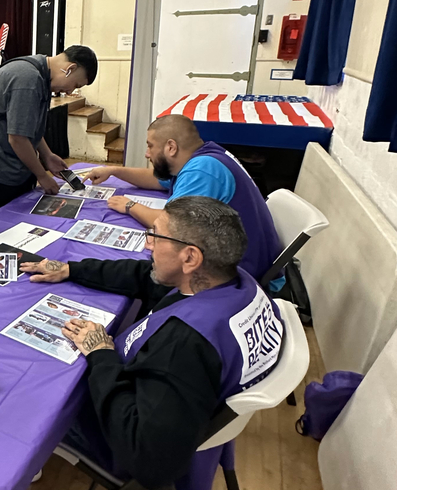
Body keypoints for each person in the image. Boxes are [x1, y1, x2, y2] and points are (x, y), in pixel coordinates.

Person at [20, 196, 285, 489]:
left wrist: (101, 353)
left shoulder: (184, 347)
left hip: (127, 436)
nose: (148, 244)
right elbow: (145, 277)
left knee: (25, 394)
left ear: (190, 258)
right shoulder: (232, 281)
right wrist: (71, 270)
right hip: (188, 411)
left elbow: (147, 459)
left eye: (155, 236)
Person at [85, 114, 284, 291]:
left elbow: (171, 224)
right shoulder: (201, 155)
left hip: (242, 274)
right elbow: (158, 180)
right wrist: (114, 170)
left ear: (171, 147)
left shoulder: (202, 170)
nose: (147, 153)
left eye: (150, 146)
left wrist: (130, 206)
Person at [0, 45, 98, 222]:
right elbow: (17, 138)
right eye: (75, 85)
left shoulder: (40, 72)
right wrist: (42, 175)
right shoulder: (28, 79)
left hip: (13, 166)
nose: (69, 92)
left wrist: (47, 155)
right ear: (70, 69)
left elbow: (29, 126)